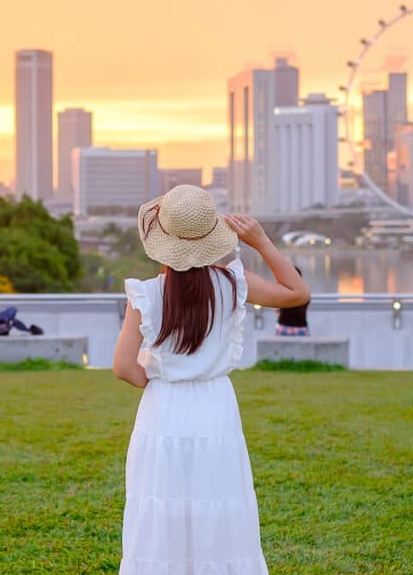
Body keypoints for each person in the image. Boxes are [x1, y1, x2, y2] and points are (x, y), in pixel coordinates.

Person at [113, 185, 310, 574]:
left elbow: (123, 366)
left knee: (161, 502)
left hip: (163, 408)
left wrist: (155, 380)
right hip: (215, 407)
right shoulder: (234, 284)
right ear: (211, 236)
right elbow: (297, 293)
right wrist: (261, 242)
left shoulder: (146, 295)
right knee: (218, 499)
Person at [275, 266, 310, 336]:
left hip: (283, 327)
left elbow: (277, 310)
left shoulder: (282, 291)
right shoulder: (305, 293)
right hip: (301, 328)